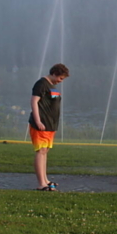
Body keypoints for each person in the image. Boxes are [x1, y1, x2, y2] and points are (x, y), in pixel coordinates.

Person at [30, 63, 70, 191]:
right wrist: (38, 121)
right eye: (60, 78)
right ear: (54, 73)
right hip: (41, 124)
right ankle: (41, 183)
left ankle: (45, 179)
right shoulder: (41, 84)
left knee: (45, 151)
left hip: (50, 125)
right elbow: (34, 102)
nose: (60, 81)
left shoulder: (52, 86)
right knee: (40, 151)